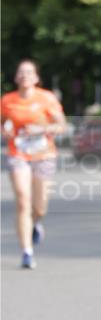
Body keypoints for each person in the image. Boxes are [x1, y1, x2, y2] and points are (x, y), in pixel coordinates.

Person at [1, 59, 66, 269]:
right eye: (21, 72)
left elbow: (61, 125)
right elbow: (2, 123)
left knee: (40, 206)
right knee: (22, 199)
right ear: (16, 77)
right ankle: (27, 252)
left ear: (36, 78)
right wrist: (5, 131)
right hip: (17, 152)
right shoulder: (7, 100)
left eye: (29, 72)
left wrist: (40, 130)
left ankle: (37, 223)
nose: (24, 75)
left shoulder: (47, 98)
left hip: (44, 154)